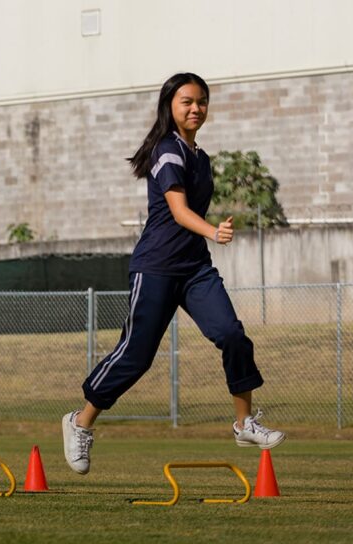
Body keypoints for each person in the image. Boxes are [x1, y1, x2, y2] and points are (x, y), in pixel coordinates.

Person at [62, 72, 285, 475]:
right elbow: (181, 213)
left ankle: (243, 423)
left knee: (232, 335)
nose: (196, 108)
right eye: (187, 101)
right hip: (157, 267)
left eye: (201, 101)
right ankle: (81, 422)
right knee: (136, 356)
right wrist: (214, 231)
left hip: (195, 268)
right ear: (170, 106)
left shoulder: (201, 158)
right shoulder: (167, 151)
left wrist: (207, 238)